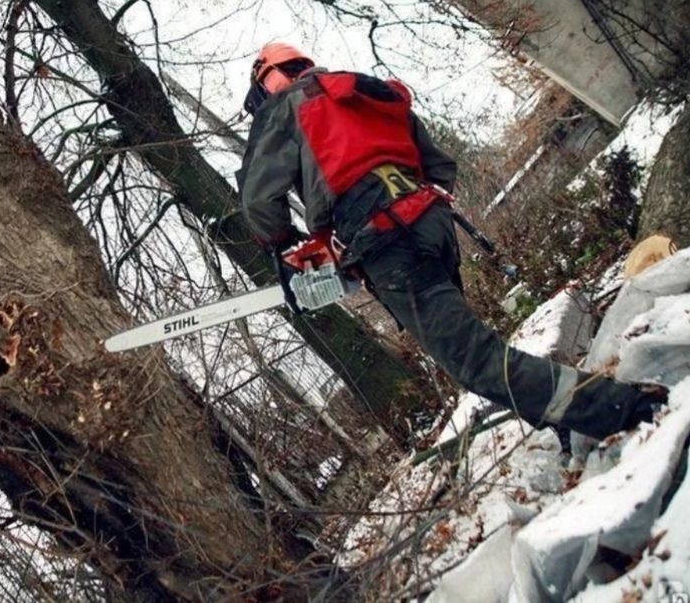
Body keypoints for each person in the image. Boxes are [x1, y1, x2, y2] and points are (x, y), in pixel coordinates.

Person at [235, 42, 666, 440]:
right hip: (431, 225)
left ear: (271, 76)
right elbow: (439, 165)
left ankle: (625, 409)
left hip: (388, 244)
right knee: (476, 348)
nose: (262, 104)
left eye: (262, 93)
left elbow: (259, 204)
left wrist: (287, 243)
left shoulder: (286, 108)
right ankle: (569, 418)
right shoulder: (360, 88)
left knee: (476, 362)